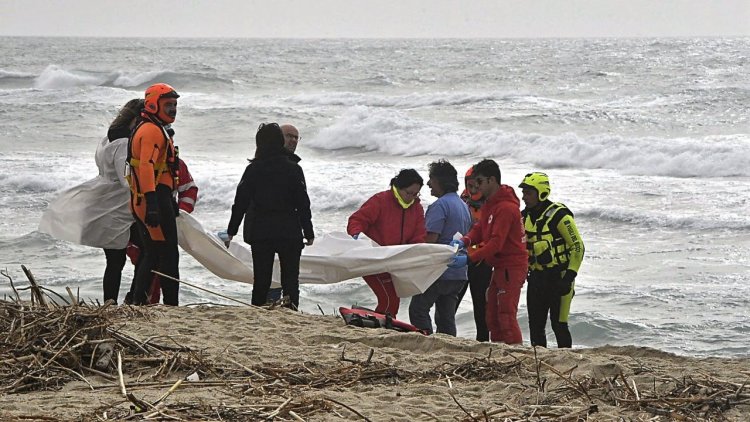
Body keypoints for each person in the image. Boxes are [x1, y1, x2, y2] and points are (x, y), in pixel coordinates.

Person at [38, 98, 143, 304]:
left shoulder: (107, 139)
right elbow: (125, 180)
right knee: (129, 256)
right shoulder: (123, 143)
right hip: (118, 206)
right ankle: (125, 299)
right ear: (137, 118)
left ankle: (114, 301)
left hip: (105, 201)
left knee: (117, 259)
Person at [225, 123, 314, 309]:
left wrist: (231, 230)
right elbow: (303, 203)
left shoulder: (253, 169)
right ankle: (291, 311)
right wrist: (308, 231)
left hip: (261, 232)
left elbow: (240, 202)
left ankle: (258, 311)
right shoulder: (293, 169)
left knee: (261, 279)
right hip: (289, 231)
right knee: (291, 280)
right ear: (281, 141)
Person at [449, 159, 527, 344]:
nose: (476, 188)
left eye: (480, 182)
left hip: (511, 266)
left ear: (492, 180)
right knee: (491, 314)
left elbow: (496, 243)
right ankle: (499, 349)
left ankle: (514, 352)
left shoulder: (506, 208)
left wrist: (468, 258)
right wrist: (465, 240)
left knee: (506, 315)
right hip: (499, 266)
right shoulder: (491, 203)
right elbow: (481, 228)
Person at [126, 83, 181, 306]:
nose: (173, 109)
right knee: (167, 255)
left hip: (154, 197)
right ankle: (170, 305)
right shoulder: (150, 131)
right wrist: (154, 204)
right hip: (152, 198)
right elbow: (147, 166)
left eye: (175, 105)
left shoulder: (153, 127)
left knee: (154, 253)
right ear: (152, 104)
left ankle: (138, 301)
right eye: (168, 104)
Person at [347, 169, 426, 317]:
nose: (412, 198)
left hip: (395, 262)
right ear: (399, 187)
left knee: (392, 299)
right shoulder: (381, 200)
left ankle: (378, 322)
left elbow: (418, 237)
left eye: (416, 194)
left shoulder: (416, 208)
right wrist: (357, 235)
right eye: (409, 193)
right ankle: (383, 328)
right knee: (389, 299)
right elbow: (357, 220)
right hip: (372, 259)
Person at [519, 172, 585, 348]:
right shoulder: (524, 217)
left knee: (559, 325)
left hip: (560, 278)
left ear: (541, 192)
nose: (524, 197)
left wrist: (569, 277)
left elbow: (578, 246)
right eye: (523, 192)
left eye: (528, 193)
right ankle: (539, 365)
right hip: (537, 279)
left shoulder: (559, 216)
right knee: (535, 327)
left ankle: (567, 363)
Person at [408, 160, 472, 336]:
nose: (428, 184)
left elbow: (431, 241)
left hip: (439, 271)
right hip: (459, 272)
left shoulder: (440, 205)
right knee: (446, 317)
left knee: (418, 310)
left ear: (440, 181)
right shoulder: (463, 205)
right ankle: (447, 345)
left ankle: (425, 341)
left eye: (431, 179)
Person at [127, 150, 199, 304]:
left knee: (161, 261)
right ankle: (140, 302)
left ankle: (157, 304)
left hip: (163, 218)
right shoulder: (138, 164)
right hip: (138, 221)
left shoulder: (176, 164)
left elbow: (189, 189)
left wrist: (180, 213)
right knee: (148, 261)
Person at [266, 123, 303, 303]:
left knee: (290, 279)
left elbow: (302, 202)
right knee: (265, 276)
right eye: (289, 136)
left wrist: (307, 230)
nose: (293, 141)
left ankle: (290, 308)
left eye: (296, 137)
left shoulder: (294, 165)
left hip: (288, 230)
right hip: (268, 230)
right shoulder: (262, 163)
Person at [458, 166, 493, 341]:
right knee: (450, 306)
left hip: (482, 263)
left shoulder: (494, 203)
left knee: (482, 308)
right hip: (461, 261)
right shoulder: (461, 201)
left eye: (477, 185)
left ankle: (483, 343)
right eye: (470, 185)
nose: (473, 189)